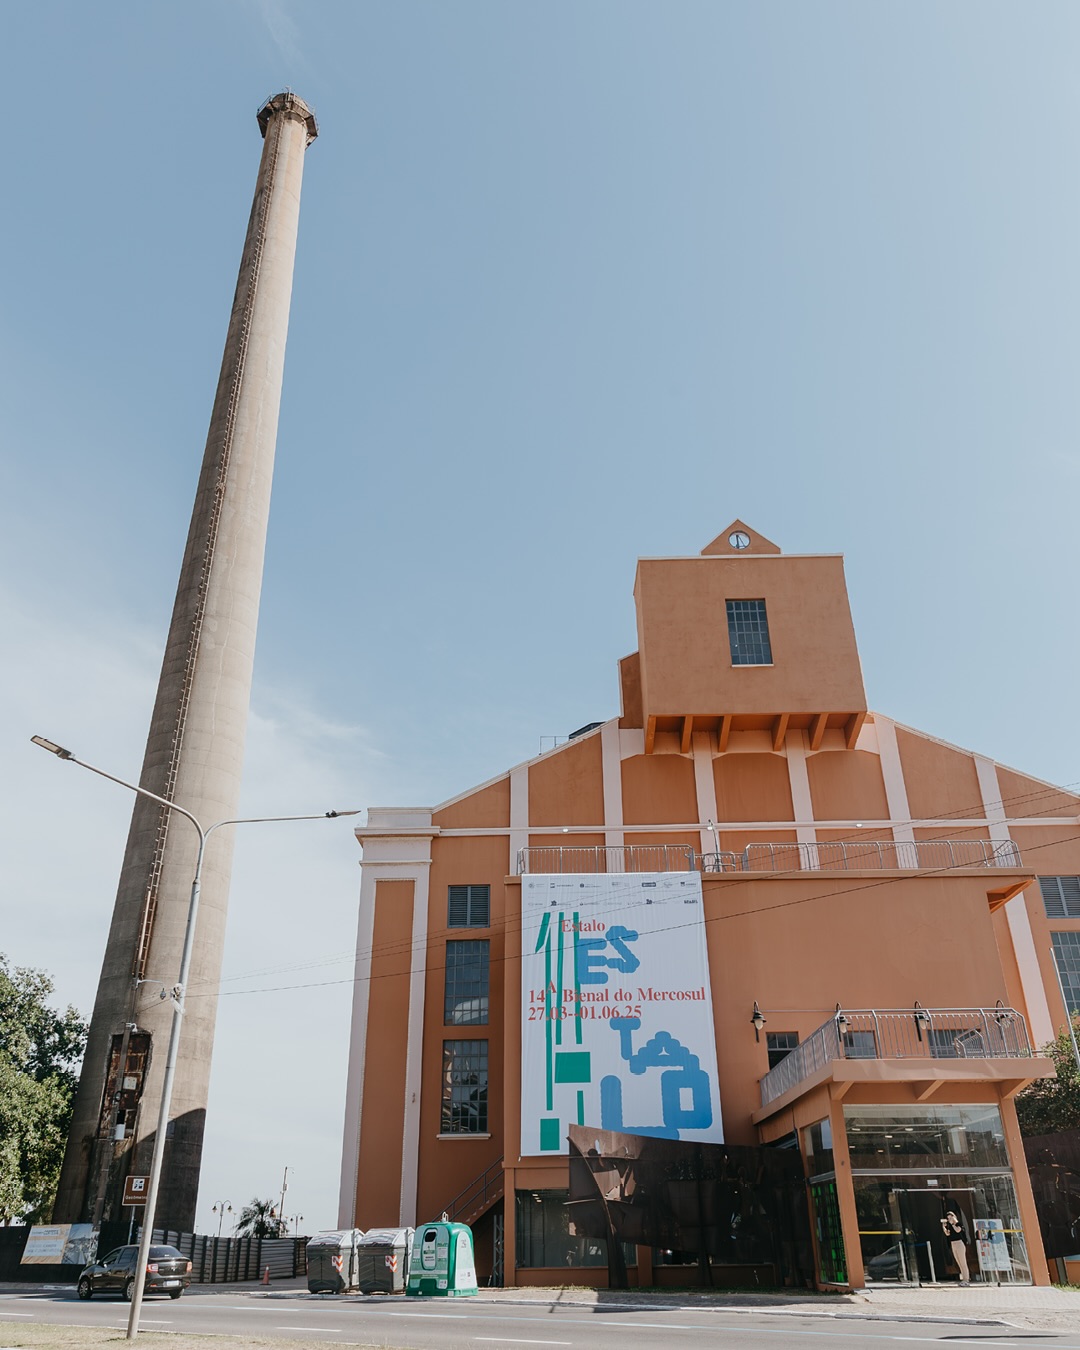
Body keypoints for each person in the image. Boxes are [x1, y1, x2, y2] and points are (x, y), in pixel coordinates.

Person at [940, 1207, 970, 1284]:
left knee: (963, 1262)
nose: (949, 1219)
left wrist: (953, 1223)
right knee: (958, 1262)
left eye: (951, 1217)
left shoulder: (957, 1224)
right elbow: (947, 1234)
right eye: (948, 1218)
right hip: (953, 1243)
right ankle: (963, 1278)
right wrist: (944, 1226)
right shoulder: (950, 1226)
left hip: (959, 1243)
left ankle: (966, 1279)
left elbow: (958, 1230)